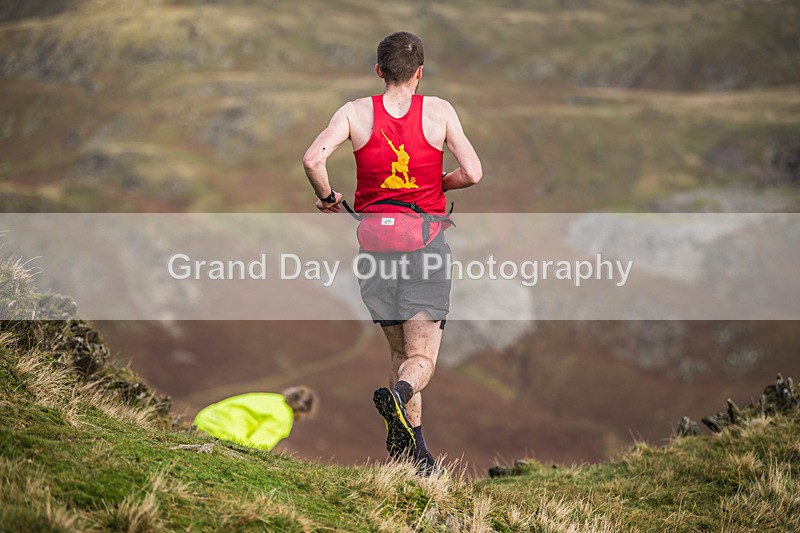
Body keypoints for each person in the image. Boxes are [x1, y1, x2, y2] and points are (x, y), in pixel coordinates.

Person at [302, 31, 482, 475]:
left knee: (400, 356)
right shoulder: (439, 111)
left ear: (379, 70)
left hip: (374, 249)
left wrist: (327, 198)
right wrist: (441, 183)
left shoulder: (354, 113)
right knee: (421, 361)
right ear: (419, 73)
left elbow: (312, 160)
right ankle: (399, 400)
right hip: (425, 248)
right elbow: (473, 173)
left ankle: (414, 460)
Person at [193, 386, 318, 451]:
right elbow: (257, 446)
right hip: (222, 434)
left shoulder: (273, 399)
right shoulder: (282, 417)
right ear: (301, 412)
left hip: (203, 421)